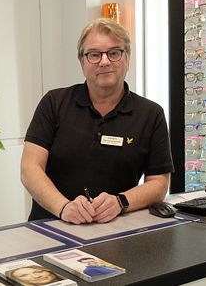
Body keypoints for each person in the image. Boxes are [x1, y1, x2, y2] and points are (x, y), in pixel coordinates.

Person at [21, 18, 174, 223]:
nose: (104, 61)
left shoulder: (150, 114)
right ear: (82, 62)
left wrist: (120, 202)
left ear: (127, 59)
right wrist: (64, 207)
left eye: (114, 53)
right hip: (51, 226)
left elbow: (159, 183)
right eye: (94, 54)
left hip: (115, 231)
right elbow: (30, 168)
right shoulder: (54, 103)